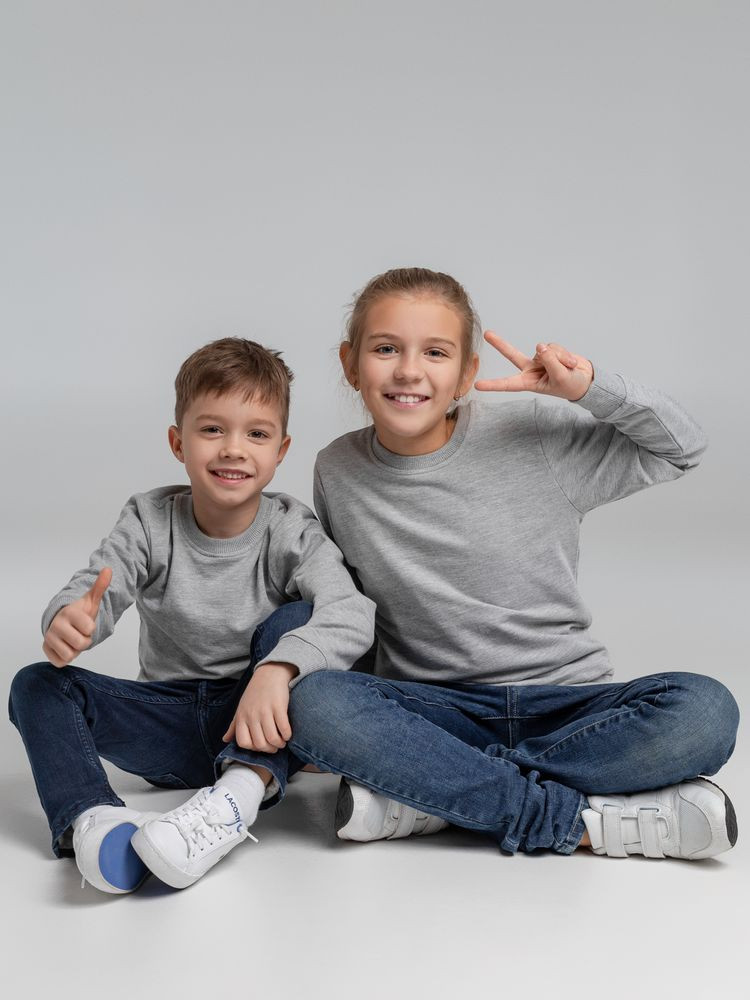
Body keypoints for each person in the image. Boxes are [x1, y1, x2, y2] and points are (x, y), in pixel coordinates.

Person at [236, 267, 739, 860]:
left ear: (467, 373)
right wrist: (293, 672)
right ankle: (572, 819)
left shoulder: (533, 436)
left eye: (435, 353)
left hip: (567, 705)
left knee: (706, 711)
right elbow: (357, 602)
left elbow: (683, 448)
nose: (408, 370)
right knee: (316, 702)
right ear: (351, 364)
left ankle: (435, 794)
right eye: (386, 348)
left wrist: (589, 389)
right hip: (437, 710)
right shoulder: (338, 469)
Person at [8, 337, 375, 893]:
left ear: (281, 449)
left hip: (255, 718)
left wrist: (277, 672)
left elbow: (351, 610)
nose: (233, 449)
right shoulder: (149, 519)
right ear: (178, 442)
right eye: (212, 430)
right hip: (168, 721)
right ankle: (93, 822)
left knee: (299, 619)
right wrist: (70, 619)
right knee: (35, 684)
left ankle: (238, 794)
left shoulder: (289, 528)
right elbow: (100, 585)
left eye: (256, 434)